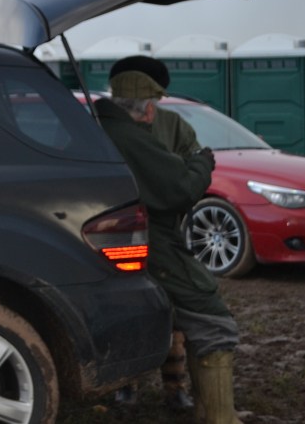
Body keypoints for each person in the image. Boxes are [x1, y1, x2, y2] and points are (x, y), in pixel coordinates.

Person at [94, 69, 243, 424]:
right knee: (212, 318)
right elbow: (178, 189)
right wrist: (202, 163)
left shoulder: (101, 128)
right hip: (153, 242)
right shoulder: (129, 136)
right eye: (154, 106)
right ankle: (219, 418)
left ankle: (188, 400)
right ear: (146, 110)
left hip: (122, 240)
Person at [108, 56, 199, 411]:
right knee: (124, 306)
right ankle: (124, 383)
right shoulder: (101, 125)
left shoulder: (173, 125)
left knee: (171, 311)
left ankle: (174, 386)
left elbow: (189, 172)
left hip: (161, 234)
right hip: (115, 233)